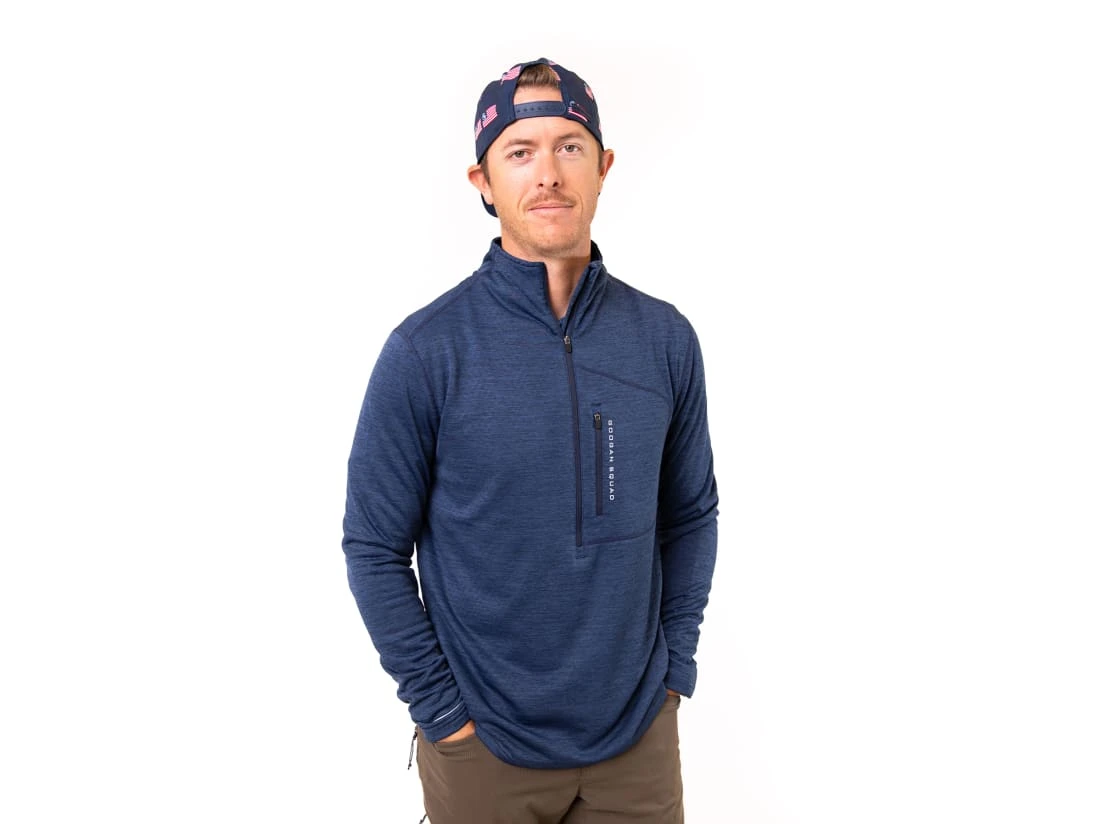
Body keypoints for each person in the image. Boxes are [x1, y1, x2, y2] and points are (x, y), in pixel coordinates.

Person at [342, 57, 719, 824]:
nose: (547, 173)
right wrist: (443, 713)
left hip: (636, 743)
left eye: (569, 147)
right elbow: (373, 548)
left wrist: (674, 669)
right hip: (485, 750)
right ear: (483, 181)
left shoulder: (665, 340)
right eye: (520, 152)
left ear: (603, 166)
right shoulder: (427, 352)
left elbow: (692, 514)